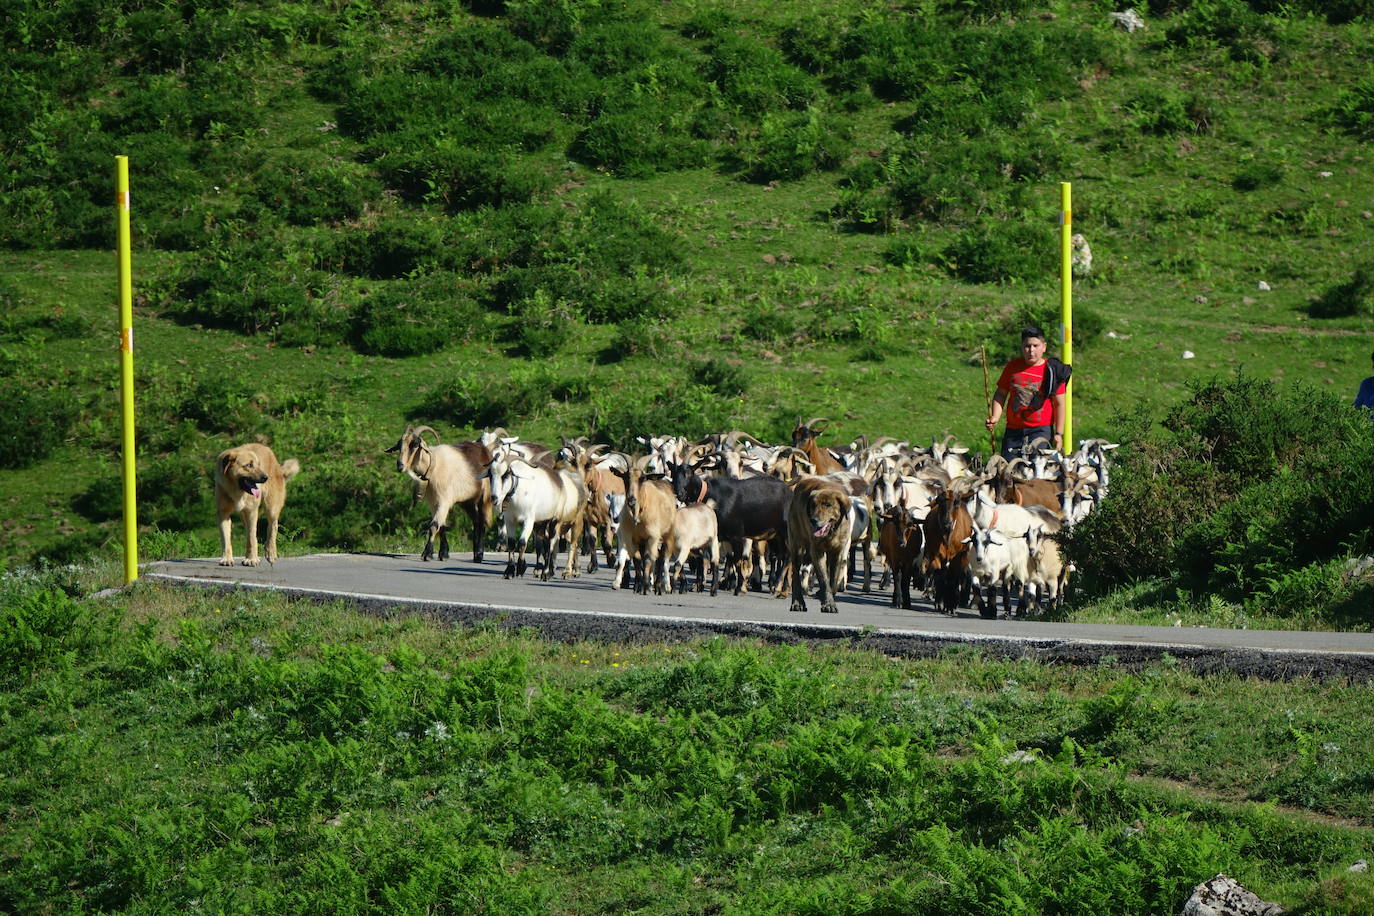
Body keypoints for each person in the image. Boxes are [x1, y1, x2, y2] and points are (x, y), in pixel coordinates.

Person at [985, 325, 1069, 460]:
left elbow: (1060, 404)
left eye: (1036, 346)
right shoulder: (1012, 367)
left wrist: (1059, 434)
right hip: (1013, 431)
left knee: (1037, 469)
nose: (1031, 350)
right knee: (1009, 469)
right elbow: (1001, 394)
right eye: (1027, 346)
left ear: (1044, 347)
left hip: (1041, 431)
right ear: (1021, 347)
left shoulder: (1052, 371)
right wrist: (995, 417)